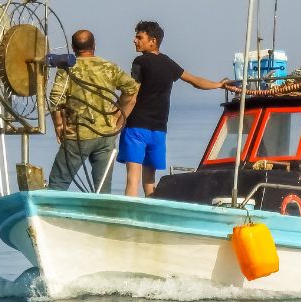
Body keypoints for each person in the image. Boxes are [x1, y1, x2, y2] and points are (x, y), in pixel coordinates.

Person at [119, 20, 228, 197]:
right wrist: (218, 84)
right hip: (158, 130)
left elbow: (132, 96)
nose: (134, 40)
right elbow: (195, 81)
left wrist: (119, 120)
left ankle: (130, 212)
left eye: (139, 37)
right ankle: (151, 210)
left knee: (133, 179)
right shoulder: (168, 63)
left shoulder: (140, 61)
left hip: (137, 127)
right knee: (150, 181)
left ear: (153, 41)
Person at [47, 29, 139, 192]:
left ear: (72, 47)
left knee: (57, 184)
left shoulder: (67, 69)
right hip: (106, 135)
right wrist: (118, 115)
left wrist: (59, 125)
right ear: (94, 45)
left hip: (78, 135)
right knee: (102, 189)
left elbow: (56, 98)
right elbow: (131, 89)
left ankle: (49, 209)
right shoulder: (109, 67)